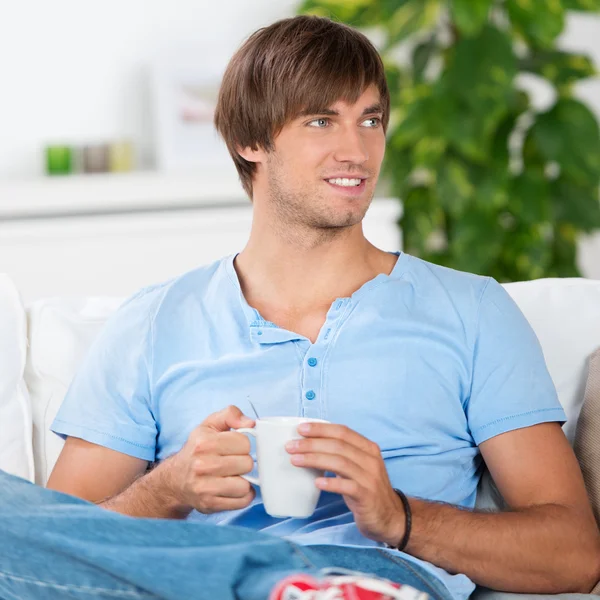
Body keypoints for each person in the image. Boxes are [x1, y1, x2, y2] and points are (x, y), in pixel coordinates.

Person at [1, 14, 598, 600]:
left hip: (376, 577)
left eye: (370, 120)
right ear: (249, 141)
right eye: (322, 120)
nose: (356, 149)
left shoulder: (472, 310)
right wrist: (169, 489)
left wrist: (400, 518)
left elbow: (573, 553)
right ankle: (281, 583)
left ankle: (313, 587)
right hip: (195, 571)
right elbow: (58, 537)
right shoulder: (152, 322)